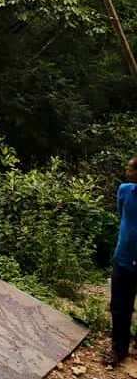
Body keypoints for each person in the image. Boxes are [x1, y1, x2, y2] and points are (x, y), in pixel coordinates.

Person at [110, 156, 137, 366]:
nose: (128, 172)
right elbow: (122, 215)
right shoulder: (125, 190)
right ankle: (119, 349)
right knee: (120, 307)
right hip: (123, 258)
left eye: (131, 169)